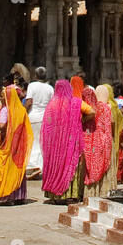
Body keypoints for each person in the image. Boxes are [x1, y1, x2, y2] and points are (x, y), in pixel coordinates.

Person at [40, 75, 90, 203]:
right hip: (70, 141)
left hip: (54, 144)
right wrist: (81, 120)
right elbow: (92, 112)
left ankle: (54, 195)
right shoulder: (75, 102)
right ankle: (70, 194)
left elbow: (48, 124)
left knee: (55, 165)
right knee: (70, 165)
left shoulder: (51, 105)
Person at [0, 77, 33, 204]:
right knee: (17, 168)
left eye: (3, 96)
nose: (1, 98)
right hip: (18, 146)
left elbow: (2, 127)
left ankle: (6, 195)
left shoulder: (5, 110)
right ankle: (18, 195)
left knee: (6, 168)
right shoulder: (21, 110)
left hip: (6, 145)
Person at [80, 84, 114, 200]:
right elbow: (111, 124)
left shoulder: (91, 107)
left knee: (91, 165)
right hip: (105, 140)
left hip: (91, 140)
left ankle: (89, 193)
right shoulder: (107, 107)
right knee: (104, 165)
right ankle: (103, 192)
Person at [23, 66, 53, 179]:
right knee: (42, 143)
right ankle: (41, 166)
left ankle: (32, 165)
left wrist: (23, 111)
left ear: (35, 76)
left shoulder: (32, 86)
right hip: (46, 118)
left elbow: (29, 101)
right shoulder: (50, 88)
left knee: (32, 141)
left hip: (33, 117)